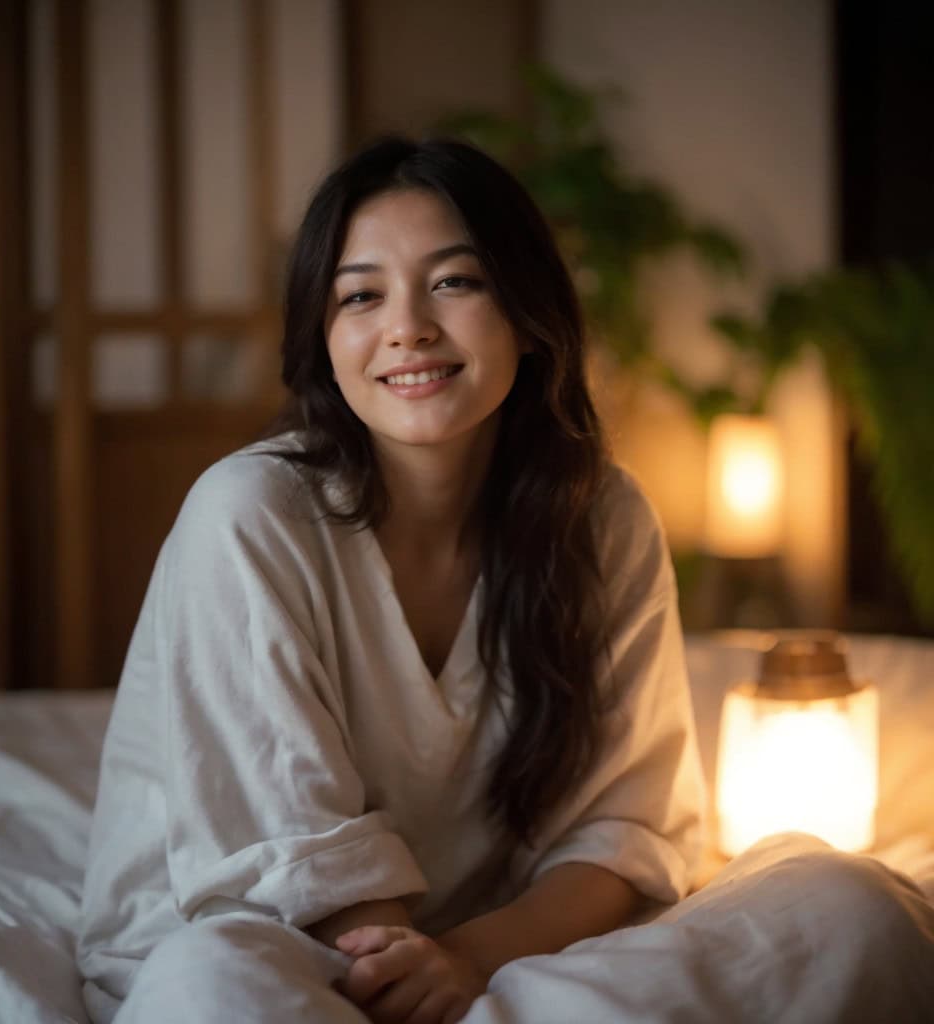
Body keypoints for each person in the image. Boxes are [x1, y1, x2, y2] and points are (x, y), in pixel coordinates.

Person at [77, 138, 934, 1024]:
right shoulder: (249, 510)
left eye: (455, 282)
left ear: (527, 316)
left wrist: (465, 959)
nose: (407, 326)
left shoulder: (602, 516)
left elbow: (621, 834)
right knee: (213, 995)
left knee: (849, 904)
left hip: (499, 949)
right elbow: (295, 855)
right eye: (361, 295)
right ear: (323, 340)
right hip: (273, 947)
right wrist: (413, 972)